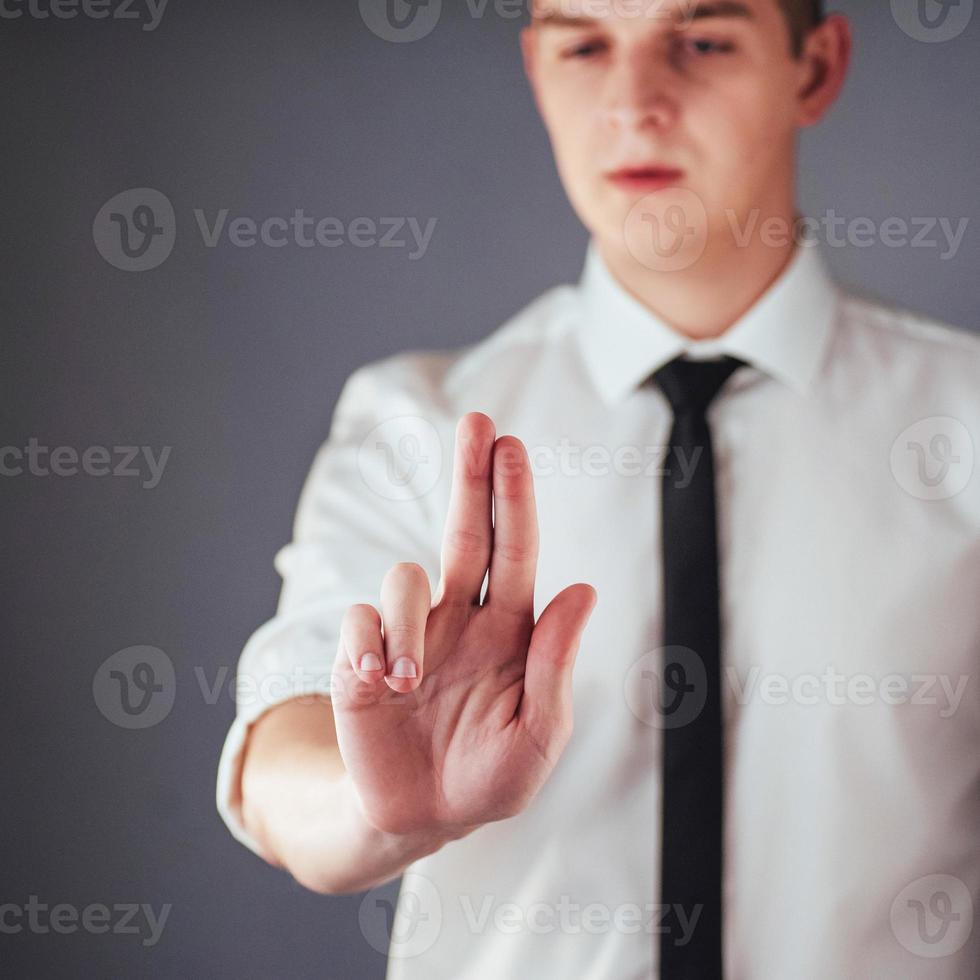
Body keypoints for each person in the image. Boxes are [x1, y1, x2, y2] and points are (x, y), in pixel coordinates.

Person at [216, 1, 980, 976]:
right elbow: (281, 752)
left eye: (700, 42)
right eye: (584, 46)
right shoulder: (412, 425)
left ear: (813, 68)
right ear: (536, 70)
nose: (633, 103)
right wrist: (377, 803)